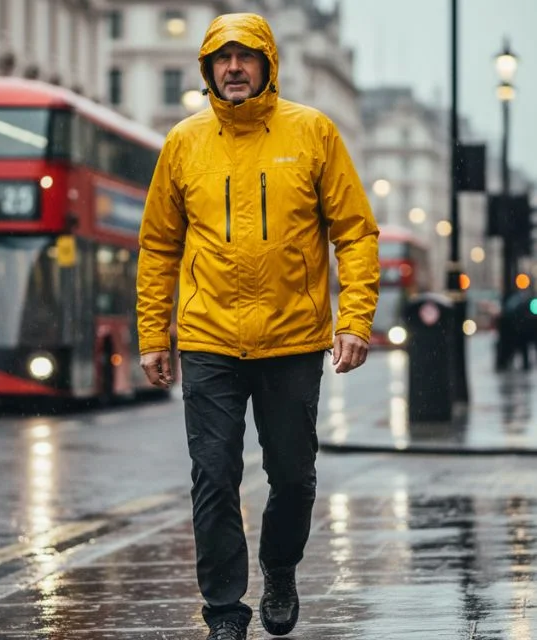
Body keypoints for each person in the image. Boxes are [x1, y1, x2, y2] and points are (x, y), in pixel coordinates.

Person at [136, 13, 379, 640]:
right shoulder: (184, 143)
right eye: (222, 58)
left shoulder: (314, 132)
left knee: (293, 477)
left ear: (268, 64)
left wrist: (354, 318)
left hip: (293, 339)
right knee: (213, 476)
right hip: (210, 339)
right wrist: (152, 335)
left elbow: (354, 232)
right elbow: (158, 247)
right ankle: (223, 610)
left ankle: (280, 568)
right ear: (208, 69)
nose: (234, 68)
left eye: (246, 57)